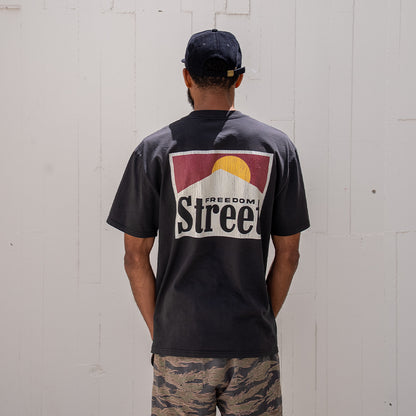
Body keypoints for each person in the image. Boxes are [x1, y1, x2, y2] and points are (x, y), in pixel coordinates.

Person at [106, 29, 310, 416]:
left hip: (180, 344)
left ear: (187, 76)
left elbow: (135, 257)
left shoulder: (154, 151)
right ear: (239, 78)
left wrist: (163, 332)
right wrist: (259, 320)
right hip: (251, 342)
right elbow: (289, 254)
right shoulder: (277, 148)